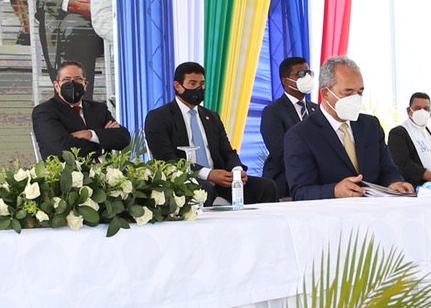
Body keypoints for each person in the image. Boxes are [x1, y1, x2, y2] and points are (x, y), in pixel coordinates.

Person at [143, 62, 276, 204]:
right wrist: (208, 174)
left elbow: (227, 152)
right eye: (192, 84)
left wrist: (236, 171)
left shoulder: (211, 117)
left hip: (220, 181)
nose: (198, 88)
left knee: (266, 186)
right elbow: (166, 159)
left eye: (201, 84)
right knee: (204, 188)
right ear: (177, 86)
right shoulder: (159, 117)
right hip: (184, 180)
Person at [286, 58, 415, 200]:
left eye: (360, 92)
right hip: (333, 212)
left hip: (375, 209)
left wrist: (394, 183)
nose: (355, 99)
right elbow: (301, 192)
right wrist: (334, 191)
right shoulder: (301, 135)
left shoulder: (371, 126)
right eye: (348, 93)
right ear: (325, 93)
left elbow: (388, 169)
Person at [31, 60, 130, 159]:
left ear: (85, 85)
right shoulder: (45, 111)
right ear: (57, 86)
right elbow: (63, 149)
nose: (72, 83)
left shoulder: (98, 109)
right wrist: (103, 144)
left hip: (106, 168)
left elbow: (123, 137)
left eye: (78, 79)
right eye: (66, 79)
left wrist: (89, 134)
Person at [257, 56, 315, 199]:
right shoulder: (273, 111)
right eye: (301, 74)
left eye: (308, 73)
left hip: (316, 180)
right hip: (286, 181)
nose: (306, 78)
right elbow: (281, 153)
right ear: (286, 81)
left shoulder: (317, 110)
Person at [387, 92, 431, 185]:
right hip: (418, 186)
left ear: (430, 113)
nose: (422, 112)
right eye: (418, 108)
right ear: (409, 111)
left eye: (426, 109)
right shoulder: (398, 133)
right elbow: (403, 163)